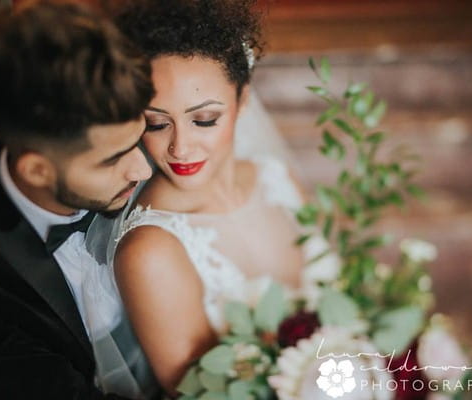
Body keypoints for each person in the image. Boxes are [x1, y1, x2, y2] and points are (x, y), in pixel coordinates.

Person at [0, 2, 160, 399]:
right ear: (37, 171)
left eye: (139, 136)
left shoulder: (148, 149)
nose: (142, 170)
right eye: (111, 159)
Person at [110, 0, 328, 395]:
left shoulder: (275, 179)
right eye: (156, 123)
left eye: (204, 119)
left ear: (243, 101)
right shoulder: (150, 251)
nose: (180, 147)